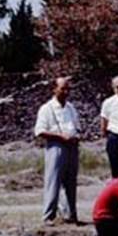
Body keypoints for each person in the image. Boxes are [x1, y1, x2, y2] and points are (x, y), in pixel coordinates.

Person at [34, 76, 81, 224]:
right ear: (54, 89)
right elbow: (40, 131)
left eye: (68, 89)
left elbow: (77, 126)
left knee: (71, 182)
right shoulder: (46, 109)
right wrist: (60, 136)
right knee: (53, 181)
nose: (66, 92)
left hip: (72, 146)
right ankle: (48, 216)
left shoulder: (71, 108)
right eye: (63, 89)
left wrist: (76, 136)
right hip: (56, 146)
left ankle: (70, 215)